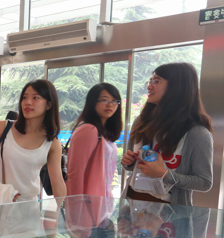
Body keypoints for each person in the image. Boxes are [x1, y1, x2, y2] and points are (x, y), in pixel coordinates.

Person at [122, 62, 213, 205]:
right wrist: (128, 162)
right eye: (150, 81)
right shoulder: (141, 121)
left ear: (177, 87)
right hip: (133, 206)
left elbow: (204, 182)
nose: (149, 86)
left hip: (170, 214)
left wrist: (164, 174)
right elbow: (132, 166)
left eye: (156, 81)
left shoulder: (197, 133)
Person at [0, 79, 66, 201]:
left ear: (49, 105)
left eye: (35, 98)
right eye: (25, 97)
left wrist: (63, 208)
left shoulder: (52, 142)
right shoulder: (2, 128)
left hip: (29, 204)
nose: (28, 102)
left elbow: (57, 181)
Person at [66, 83, 123, 199]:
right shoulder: (88, 129)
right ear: (92, 102)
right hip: (88, 201)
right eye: (104, 100)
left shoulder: (103, 131)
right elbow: (76, 173)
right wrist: (76, 203)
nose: (110, 105)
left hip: (102, 197)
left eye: (114, 101)